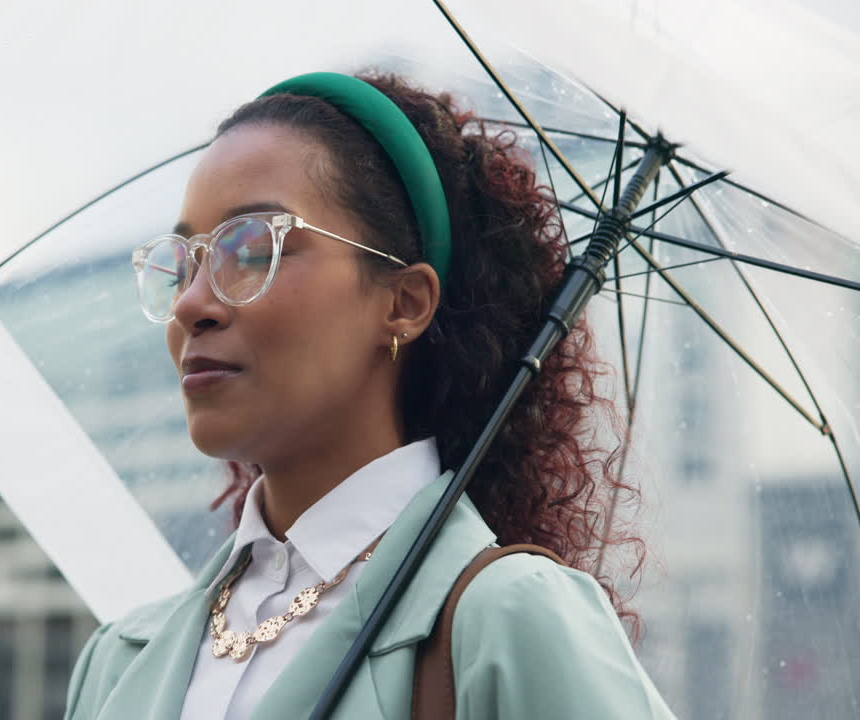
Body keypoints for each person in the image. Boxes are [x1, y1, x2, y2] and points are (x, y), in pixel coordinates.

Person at [65, 71, 675, 719]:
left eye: (251, 249)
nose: (191, 304)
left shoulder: (506, 623)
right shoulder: (118, 664)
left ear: (403, 304)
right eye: (184, 261)